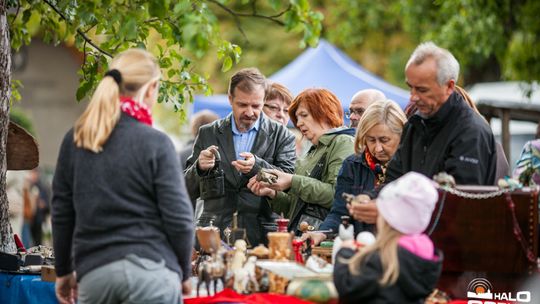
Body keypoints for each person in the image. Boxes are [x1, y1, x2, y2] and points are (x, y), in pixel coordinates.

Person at [52, 49, 194, 304]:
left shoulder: (77, 139)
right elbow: (179, 218)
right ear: (151, 89)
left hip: (96, 276)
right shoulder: (157, 143)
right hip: (153, 274)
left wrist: (63, 271)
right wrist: (184, 272)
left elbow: (62, 212)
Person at [184, 67, 296, 246]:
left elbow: (288, 185)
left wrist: (257, 168)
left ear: (263, 101)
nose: (250, 112)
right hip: (214, 236)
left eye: (256, 106)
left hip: (261, 238)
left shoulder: (282, 136)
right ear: (230, 98)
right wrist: (199, 168)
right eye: (243, 105)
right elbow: (186, 188)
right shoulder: (208, 133)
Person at [247, 88, 355, 233]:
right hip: (302, 238)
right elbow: (295, 207)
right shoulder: (312, 151)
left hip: (325, 240)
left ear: (324, 112)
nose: (299, 123)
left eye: (304, 115)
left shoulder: (343, 142)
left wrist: (292, 181)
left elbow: (338, 195)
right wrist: (272, 194)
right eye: (297, 118)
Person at [306, 99, 407, 245]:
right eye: (371, 140)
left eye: (384, 140)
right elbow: (340, 212)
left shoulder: (413, 166)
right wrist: (321, 233)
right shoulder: (352, 165)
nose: (378, 148)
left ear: (402, 136)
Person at [333, 172, 443, 303]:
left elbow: (348, 286)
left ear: (386, 219)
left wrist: (345, 252)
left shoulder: (383, 259)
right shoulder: (426, 256)